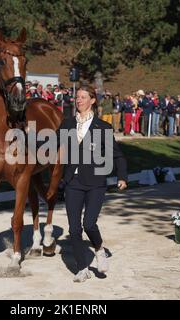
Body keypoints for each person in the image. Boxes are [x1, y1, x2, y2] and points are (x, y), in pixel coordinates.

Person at [57, 84, 128, 283]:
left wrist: (122, 176)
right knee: (74, 229)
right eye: (77, 97)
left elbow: (118, 155)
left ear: (92, 100)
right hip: (73, 182)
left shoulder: (102, 127)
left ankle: (99, 249)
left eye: (82, 97)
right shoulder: (67, 124)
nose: (78, 100)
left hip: (96, 182)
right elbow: (52, 144)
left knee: (89, 223)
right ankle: (82, 268)